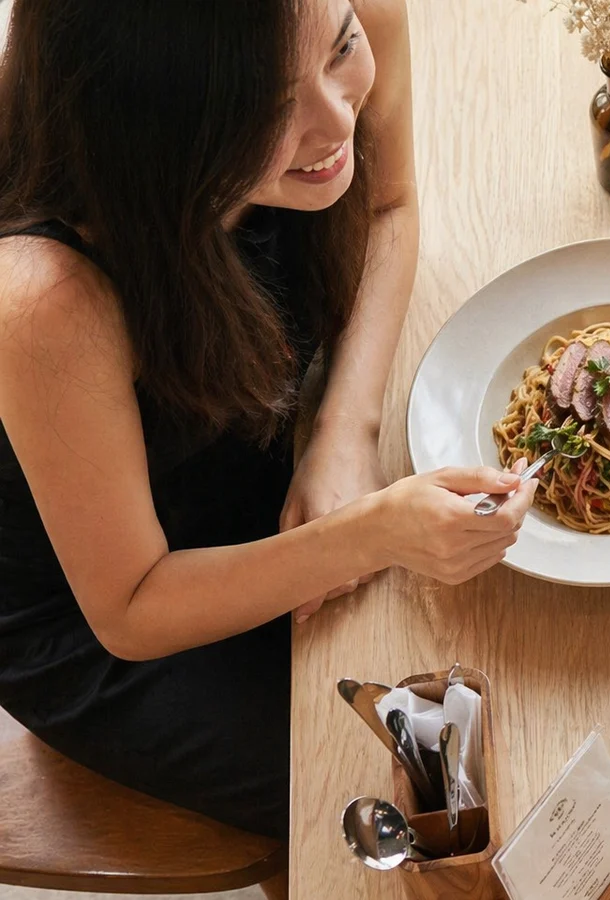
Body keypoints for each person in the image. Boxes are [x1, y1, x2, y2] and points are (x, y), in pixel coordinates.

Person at [0, 0, 536, 844]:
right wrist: (370, 534)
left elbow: (391, 208)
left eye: (342, 51)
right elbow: (131, 608)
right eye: (268, 106)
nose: (335, 122)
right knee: (430, 802)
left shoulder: (335, 13)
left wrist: (344, 430)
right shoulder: (43, 299)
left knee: (525, 667)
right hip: (117, 608)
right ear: (155, 123)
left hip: (267, 438)